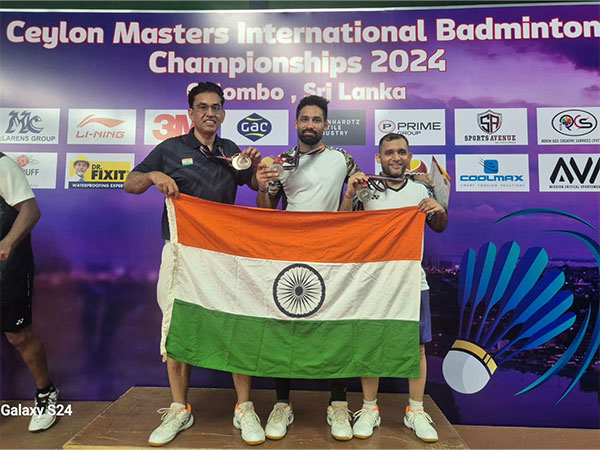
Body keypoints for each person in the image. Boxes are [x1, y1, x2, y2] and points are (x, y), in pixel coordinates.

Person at [123, 82, 265, 447]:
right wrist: (154, 175)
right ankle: (179, 408)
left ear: (222, 112)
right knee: (178, 327)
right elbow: (130, 183)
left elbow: (260, 190)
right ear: (191, 113)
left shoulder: (232, 151)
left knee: (237, 324)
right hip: (181, 252)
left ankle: (244, 407)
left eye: (216, 107)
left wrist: (263, 175)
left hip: (224, 255)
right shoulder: (170, 149)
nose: (209, 113)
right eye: (202, 107)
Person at [255, 95, 365, 441]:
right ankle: (283, 404)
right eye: (304, 119)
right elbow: (266, 207)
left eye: (317, 120)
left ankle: (338, 404)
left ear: (326, 125)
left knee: (335, 324)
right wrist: (261, 186)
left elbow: (359, 194)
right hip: (291, 252)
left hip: (332, 251)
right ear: (296, 123)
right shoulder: (281, 162)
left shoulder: (342, 159)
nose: (310, 125)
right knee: (285, 326)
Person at [340, 133, 448, 442]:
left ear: (409, 156)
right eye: (389, 152)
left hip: (413, 280)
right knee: (371, 343)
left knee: (417, 346)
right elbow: (342, 224)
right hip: (373, 280)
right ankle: (370, 408)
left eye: (401, 152)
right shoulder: (365, 190)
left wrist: (437, 207)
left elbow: (440, 225)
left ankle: (415, 410)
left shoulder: (421, 189)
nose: (396, 157)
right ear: (379, 158)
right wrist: (349, 194)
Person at [0, 152, 59, 433]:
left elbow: (30, 210)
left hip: (7, 267)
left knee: (18, 335)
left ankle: (46, 394)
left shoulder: (2, 164)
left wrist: (7, 244)